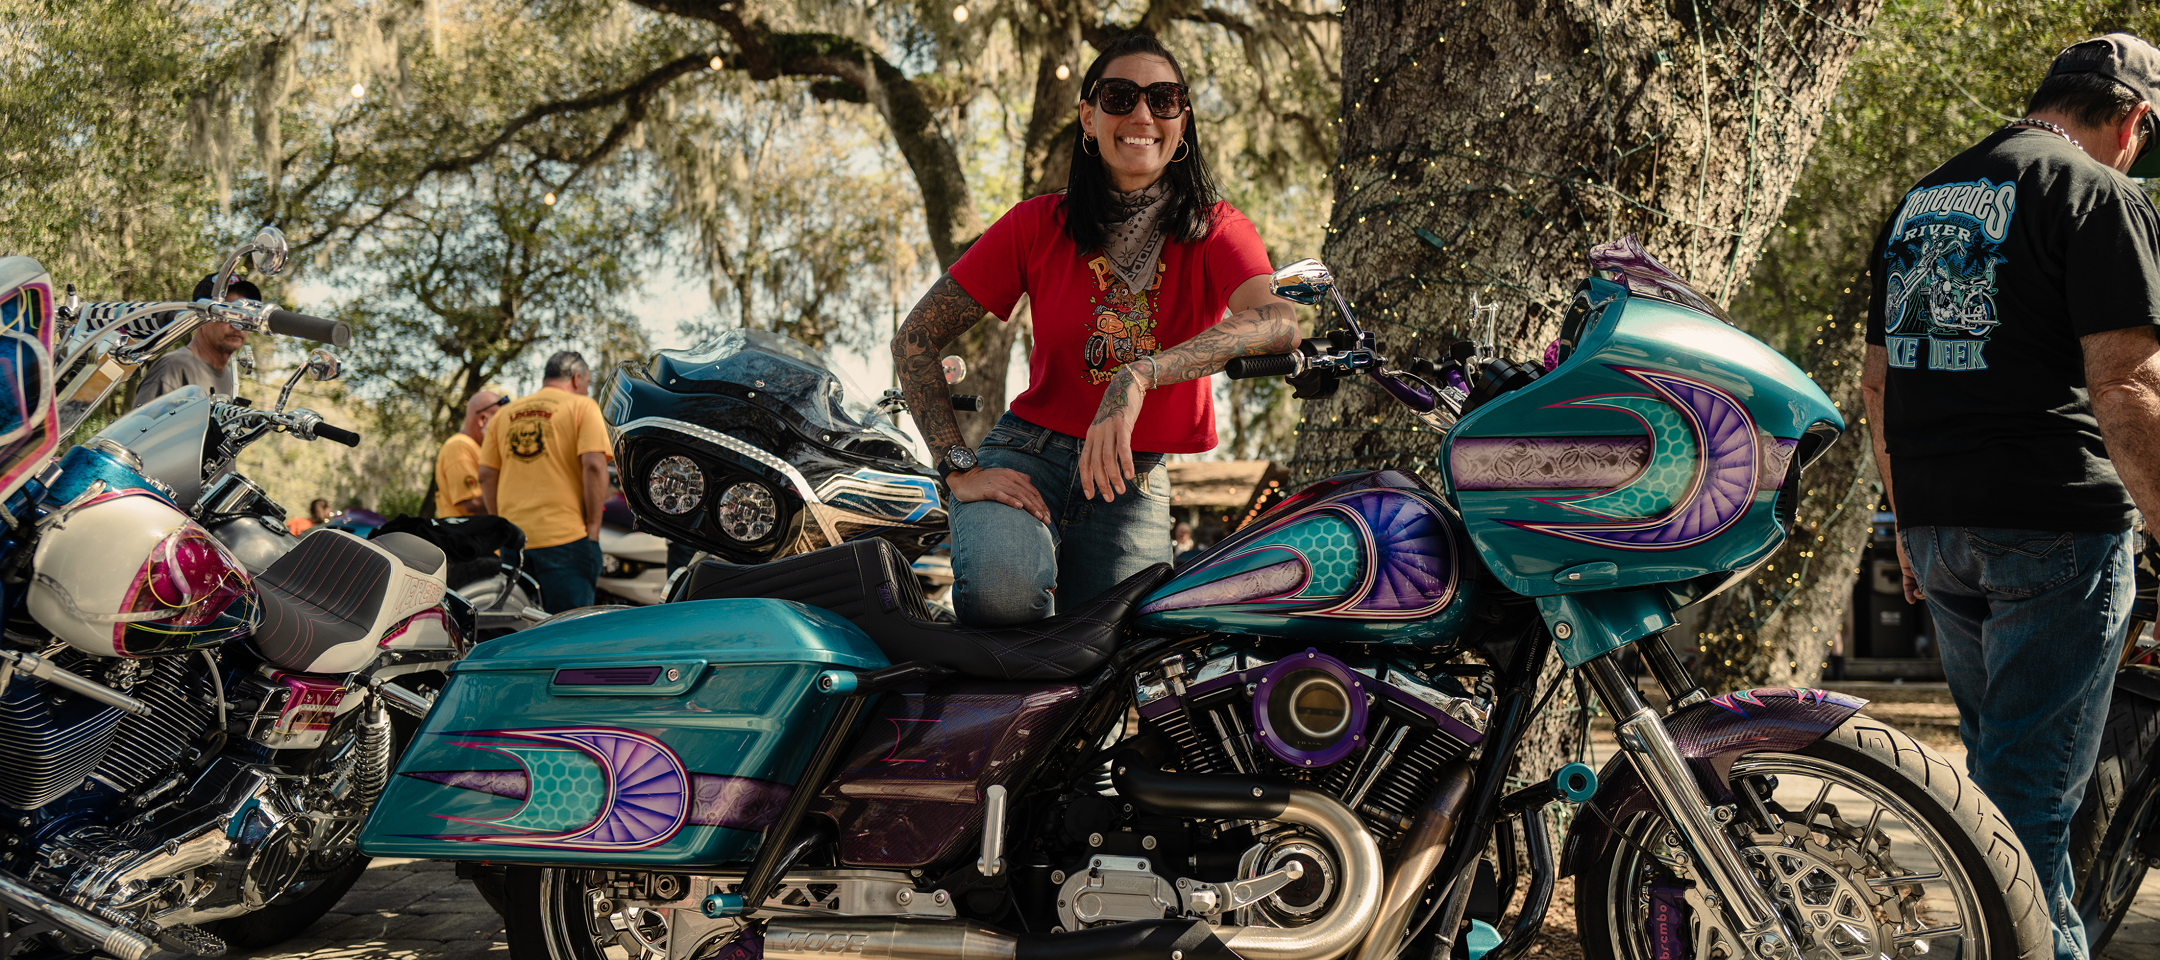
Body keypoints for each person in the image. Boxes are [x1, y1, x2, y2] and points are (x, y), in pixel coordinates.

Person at [1862, 33, 2160, 960]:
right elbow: (2128, 386)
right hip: (2054, 526)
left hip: (1941, 525)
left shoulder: (1924, 199)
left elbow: (1877, 380)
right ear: (2132, 120)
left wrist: (1907, 520)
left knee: (1998, 790)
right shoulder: (2098, 194)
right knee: (2031, 800)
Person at [891, 34, 1297, 626]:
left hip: (1132, 478)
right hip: (1026, 457)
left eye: (1164, 99)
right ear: (1088, 115)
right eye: (1119, 96)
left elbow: (1278, 323)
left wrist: (1139, 374)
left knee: (1125, 652)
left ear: (1182, 120)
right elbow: (915, 338)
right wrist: (958, 466)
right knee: (1005, 598)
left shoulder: (1217, 228)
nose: (1141, 115)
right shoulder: (1037, 223)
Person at [479, 352, 611, 613]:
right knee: (568, 632)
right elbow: (595, 466)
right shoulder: (583, 406)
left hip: (514, 543)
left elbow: (485, 475)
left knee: (520, 630)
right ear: (577, 378)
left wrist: (501, 526)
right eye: (586, 383)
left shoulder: (504, 415)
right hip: (567, 539)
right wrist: (593, 529)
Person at [133, 274, 259, 408]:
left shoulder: (228, 377)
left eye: (244, 315)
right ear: (199, 316)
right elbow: (139, 428)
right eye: (227, 314)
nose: (237, 325)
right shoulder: (173, 368)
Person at [435, 390, 506, 517]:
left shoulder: (479, 448)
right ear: (482, 420)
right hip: (464, 534)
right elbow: (472, 504)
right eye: (499, 421)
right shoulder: (459, 446)